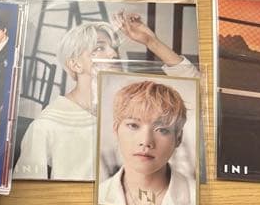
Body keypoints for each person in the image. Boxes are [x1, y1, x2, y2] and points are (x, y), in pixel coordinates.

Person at [15, 13, 198, 181]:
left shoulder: (130, 104)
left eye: (113, 48)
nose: (113, 54)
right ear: (75, 64)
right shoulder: (47, 125)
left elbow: (198, 86)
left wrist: (151, 41)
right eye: (99, 48)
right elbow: (28, 188)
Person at [98, 79, 196, 205]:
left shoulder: (198, 198)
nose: (146, 141)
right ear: (116, 129)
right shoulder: (98, 196)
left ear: (178, 138)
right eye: (133, 125)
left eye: (162, 129)